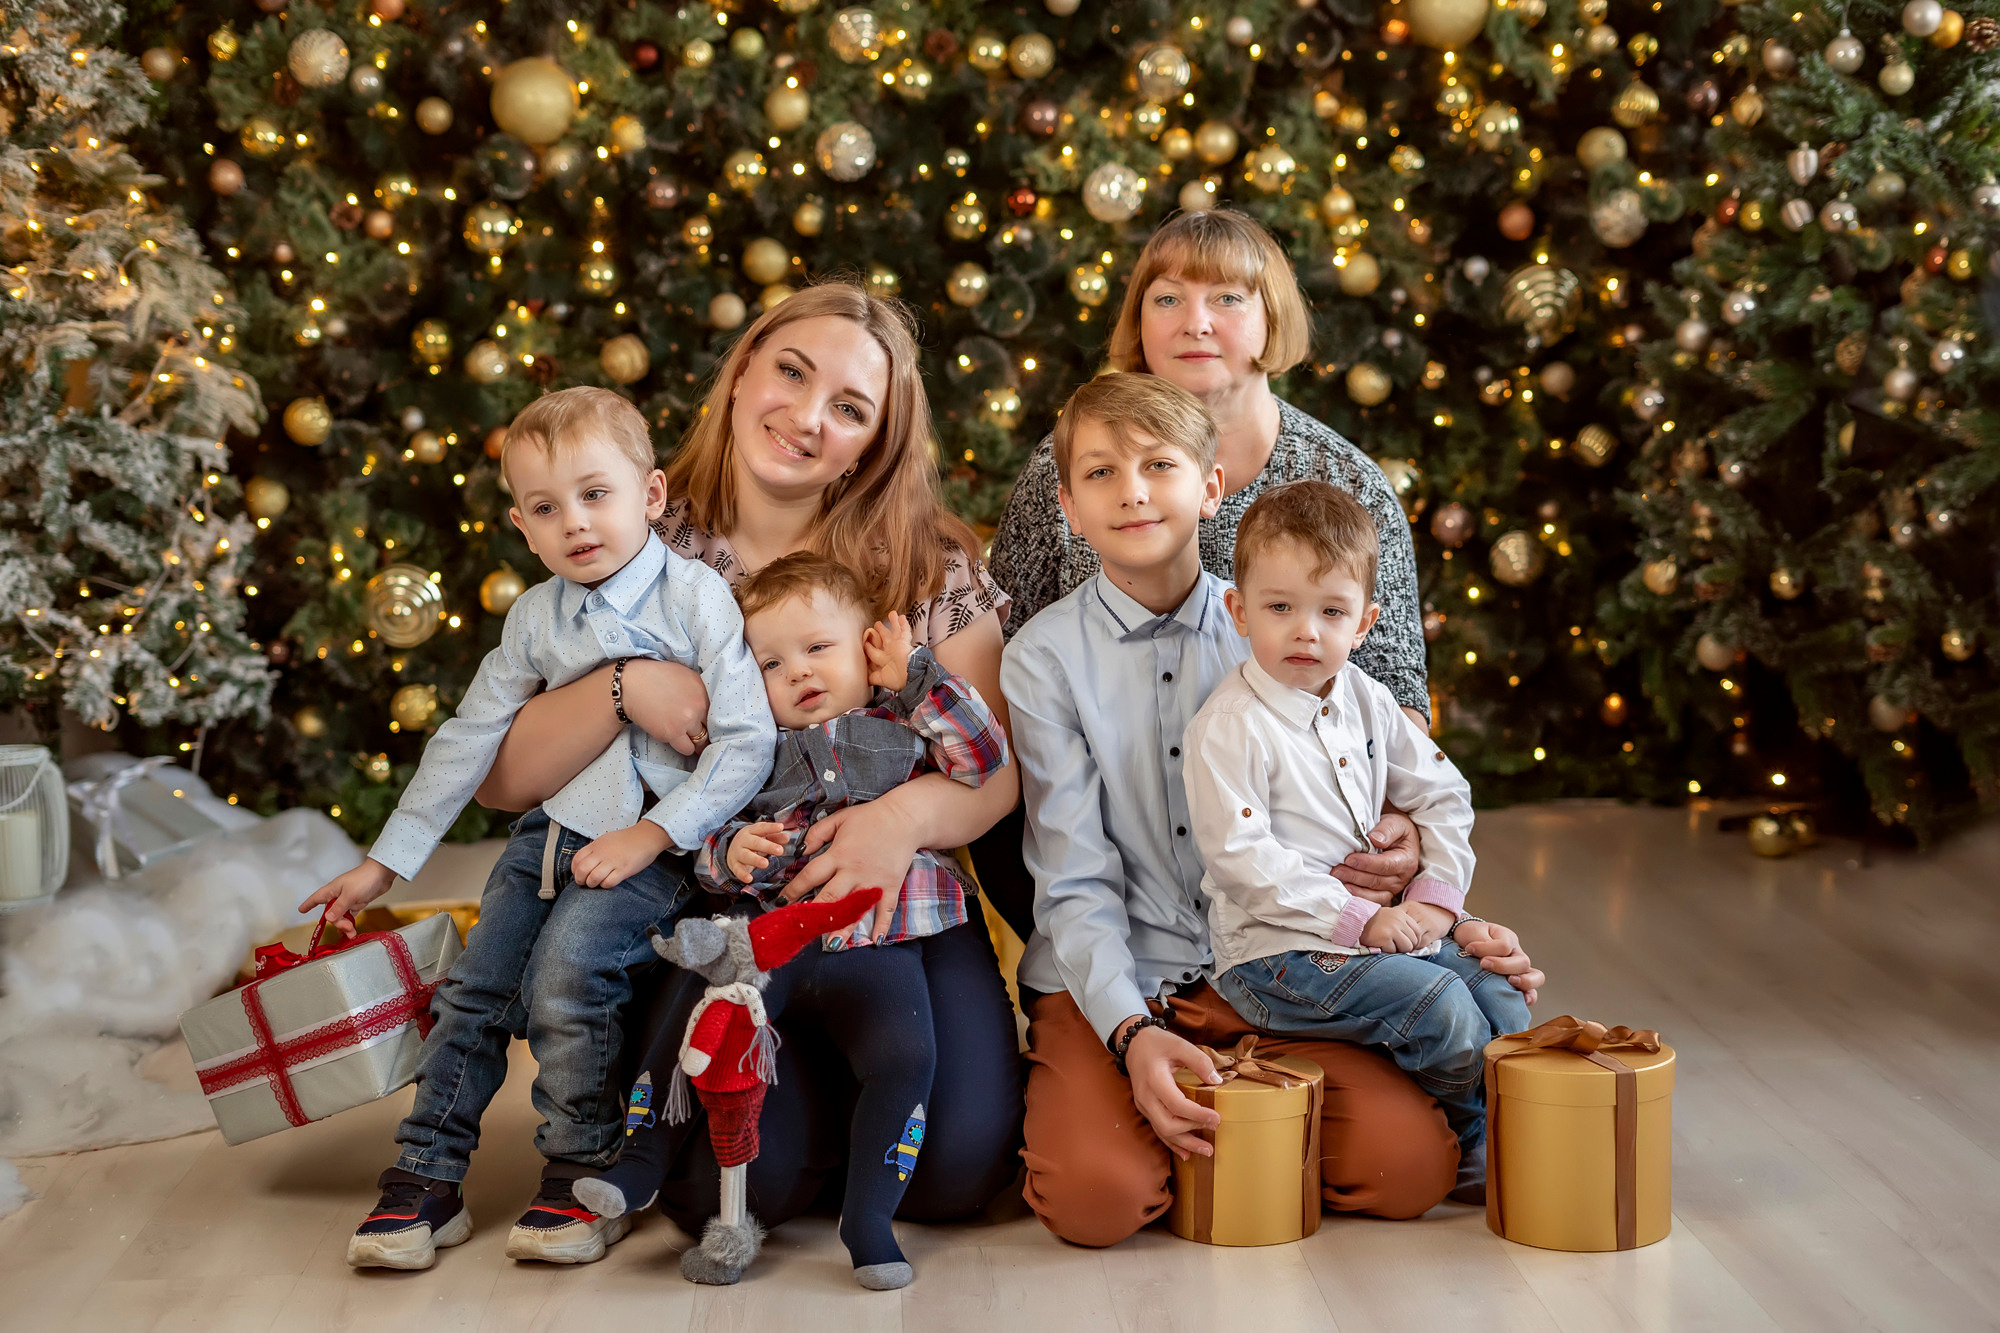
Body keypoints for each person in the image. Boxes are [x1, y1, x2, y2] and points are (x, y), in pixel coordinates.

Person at [469, 282, 1023, 1243]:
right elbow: (502, 779)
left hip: (891, 910)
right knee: (725, 1188)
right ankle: (787, 1124)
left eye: (850, 410)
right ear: (741, 372)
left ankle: (842, 1111)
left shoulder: (926, 561)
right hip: (719, 911)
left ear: (875, 443)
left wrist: (900, 819)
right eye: (791, 373)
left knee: (956, 1170)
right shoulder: (635, 529)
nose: (808, 419)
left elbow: (995, 767)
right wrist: (621, 686)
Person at [1001, 372, 1543, 1247]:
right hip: (1118, 972)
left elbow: (1373, 803)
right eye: (1100, 473)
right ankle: (1144, 1113)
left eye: (1159, 465)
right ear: (1065, 504)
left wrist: (1447, 919)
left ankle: (1231, 1128)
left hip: (1272, 964)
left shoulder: (1287, 631)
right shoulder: (1043, 657)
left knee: (1409, 1172)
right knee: (1096, 1203)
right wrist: (1131, 1031)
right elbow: (1073, 874)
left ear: (1212, 487)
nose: (1133, 490)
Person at [304, 387, 776, 1271]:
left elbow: (747, 742)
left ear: (653, 494)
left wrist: (655, 835)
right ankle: (425, 1174)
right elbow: (468, 741)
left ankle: (579, 1166)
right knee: (471, 989)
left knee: (568, 974)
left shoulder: (696, 596)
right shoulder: (534, 618)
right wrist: (384, 865)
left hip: (650, 846)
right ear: (522, 527)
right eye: (548, 508)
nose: (577, 523)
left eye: (596, 494)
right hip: (546, 836)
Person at [980, 208, 1432, 940]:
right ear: (1139, 323)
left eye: (1227, 297)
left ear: (1271, 319)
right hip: (1103, 834)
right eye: (1167, 298)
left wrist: (1402, 822)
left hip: (1296, 849)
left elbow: (1394, 688)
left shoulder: (1345, 481)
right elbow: (1008, 652)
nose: (1195, 321)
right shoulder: (1060, 470)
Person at [574, 553, 1009, 1290]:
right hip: (774, 943)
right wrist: (730, 849)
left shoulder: (901, 720)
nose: (800, 672)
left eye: (818, 648)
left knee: (907, 1055)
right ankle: (643, 1152)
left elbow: (984, 756)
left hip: (881, 940)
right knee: (707, 1014)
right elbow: (704, 840)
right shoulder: (751, 752)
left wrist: (917, 674)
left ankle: (868, 1218)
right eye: (772, 662)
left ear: (866, 649)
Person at [1184, 480, 1532, 1206]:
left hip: (1377, 937)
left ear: (1365, 622)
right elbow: (1243, 858)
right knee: (1439, 1002)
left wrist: (1438, 902)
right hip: (1274, 953)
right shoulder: (1230, 725)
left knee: (1497, 991)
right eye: (1280, 608)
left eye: (1331, 611)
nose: (1305, 631)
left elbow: (1444, 794)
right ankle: (1480, 1148)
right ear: (1239, 611)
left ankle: (1522, 1125)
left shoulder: (1368, 700)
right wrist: (1362, 918)